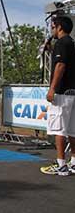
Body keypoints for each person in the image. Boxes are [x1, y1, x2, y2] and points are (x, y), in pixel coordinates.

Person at [40, 16, 75, 176]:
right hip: (72, 92)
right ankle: (73, 162)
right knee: (72, 130)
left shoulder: (61, 43)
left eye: (52, 27)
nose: (51, 30)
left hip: (62, 93)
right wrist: (49, 49)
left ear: (59, 27)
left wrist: (52, 89)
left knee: (59, 129)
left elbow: (60, 65)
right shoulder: (71, 43)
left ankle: (61, 164)